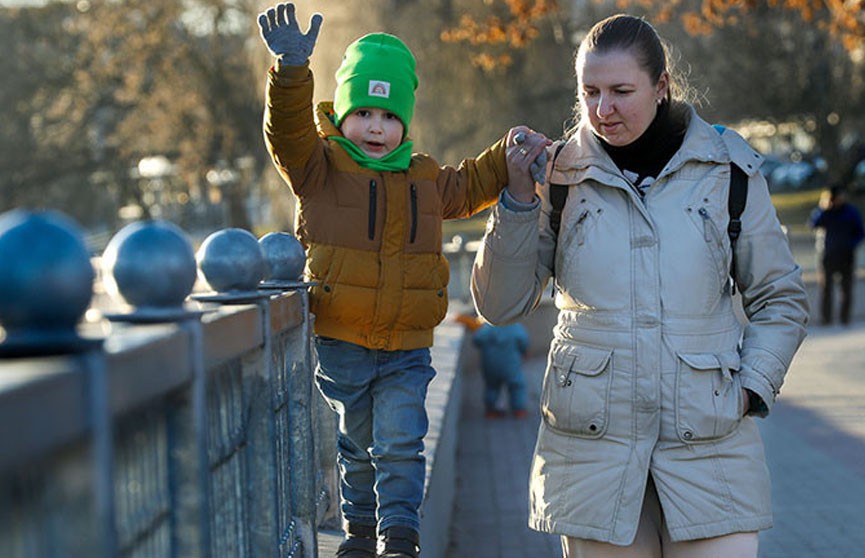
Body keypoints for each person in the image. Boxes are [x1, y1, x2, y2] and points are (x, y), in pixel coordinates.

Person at [471, 14, 810, 558]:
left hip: (710, 450)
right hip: (592, 455)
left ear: (661, 86)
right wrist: (515, 202)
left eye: (621, 91)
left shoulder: (728, 171)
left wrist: (751, 385)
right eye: (590, 92)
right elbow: (499, 305)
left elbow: (781, 299)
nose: (603, 109)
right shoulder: (557, 177)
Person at [256, 4, 548, 557]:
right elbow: (288, 135)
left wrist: (507, 159)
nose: (376, 127)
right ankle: (360, 533)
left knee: (399, 441)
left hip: (408, 347)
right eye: (363, 112)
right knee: (358, 447)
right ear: (341, 115)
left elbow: (470, 185)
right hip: (342, 341)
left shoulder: (424, 178)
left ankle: (400, 536)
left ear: (405, 123)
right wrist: (292, 70)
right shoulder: (318, 169)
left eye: (389, 117)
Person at [455, 312, 530, 418]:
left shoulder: (488, 327)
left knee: (492, 387)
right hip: (512, 365)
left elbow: (477, 340)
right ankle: (518, 410)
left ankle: (491, 410)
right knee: (516, 385)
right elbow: (524, 342)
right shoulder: (515, 327)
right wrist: (523, 353)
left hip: (491, 365)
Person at [810, 184, 864, 325]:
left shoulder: (850, 212)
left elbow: (860, 232)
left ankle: (845, 318)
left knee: (846, 289)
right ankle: (826, 319)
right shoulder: (824, 211)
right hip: (827, 255)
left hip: (846, 255)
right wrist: (823, 208)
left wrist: (850, 244)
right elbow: (813, 224)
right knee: (826, 289)